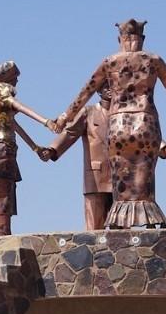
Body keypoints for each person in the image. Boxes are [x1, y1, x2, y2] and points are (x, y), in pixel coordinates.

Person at [54, 19, 166, 228]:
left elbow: (85, 93)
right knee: (144, 180)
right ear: (142, 38)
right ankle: (149, 221)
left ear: (119, 39)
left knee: (121, 181)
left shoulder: (109, 62)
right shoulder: (153, 60)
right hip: (146, 124)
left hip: (118, 126)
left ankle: (118, 221)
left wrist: (65, 117)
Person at [0, 60, 56, 237]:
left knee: (6, 195)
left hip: (5, 150)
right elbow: (19, 107)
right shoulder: (1, 90)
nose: (16, 82)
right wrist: (45, 121)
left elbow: (14, 124)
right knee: (1, 197)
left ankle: (0, 233)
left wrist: (34, 148)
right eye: (14, 78)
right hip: (2, 150)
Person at [41, 87, 114, 230]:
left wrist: (164, 149)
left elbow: (141, 133)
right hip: (95, 176)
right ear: (100, 90)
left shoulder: (123, 114)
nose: (111, 89)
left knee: (121, 231)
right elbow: (70, 132)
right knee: (94, 228)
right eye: (107, 85)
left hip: (120, 178)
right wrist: (52, 149)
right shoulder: (89, 112)